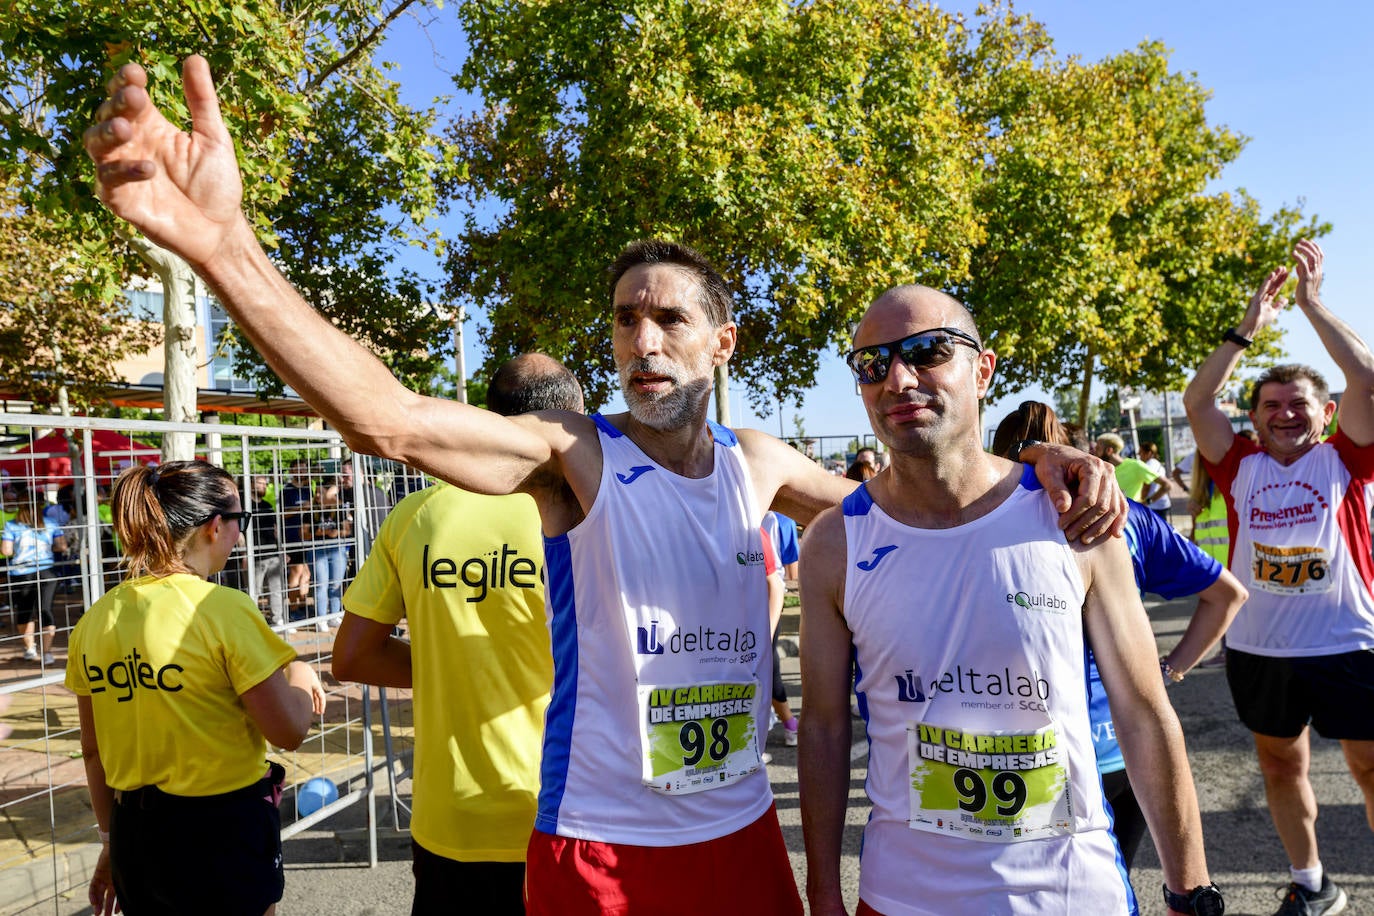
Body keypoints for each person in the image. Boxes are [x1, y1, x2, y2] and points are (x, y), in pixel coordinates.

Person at [83, 57, 1125, 914]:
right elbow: (385, 417)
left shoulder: (760, 466)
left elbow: (920, 493)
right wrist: (225, 249)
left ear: (721, 343)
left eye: (670, 319)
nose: (642, 339)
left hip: (742, 836)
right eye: (625, 318)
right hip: (601, 854)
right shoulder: (573, 457)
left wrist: (1037, 460)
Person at [800, 286, 1218, 916]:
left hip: (1073, 896)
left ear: (984, 368)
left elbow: (1142, 711)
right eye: (872, 363)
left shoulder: (1071, 515)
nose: (898, 377)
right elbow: (825, 727)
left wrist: (1192, 891)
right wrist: (825, 893)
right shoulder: (834, 542)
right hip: (903, 900)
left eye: (927, 350)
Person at [332, 353, 584, 916]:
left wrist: (451, 666)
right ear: (573, 420)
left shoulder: (418, 513)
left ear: (490, 421)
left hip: (450, 819)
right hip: (570, 804)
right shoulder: (588, 512)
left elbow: (351, 657)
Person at [1183, 239, 1374, 916]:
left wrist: (1311, 305)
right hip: (1261, 648)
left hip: (1350, 642)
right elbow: (1197, 396)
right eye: (1271, 404)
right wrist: (1245, 332)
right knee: (1279, 766)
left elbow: (1368, 379)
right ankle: (1314, 882)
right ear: (1255, 417)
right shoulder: (1237, 465)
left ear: (1324, 415)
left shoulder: (1346, 459)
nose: (1285, 413)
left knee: (1369, 768)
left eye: (1299, 404)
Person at [65, 461, 326, 916]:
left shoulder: (94, 620)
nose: (240, 537)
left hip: (134, 833)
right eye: (239, 522)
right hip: (221, 827)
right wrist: (302, 675)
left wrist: (110, 842)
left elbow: (94, 752)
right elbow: (288, 731)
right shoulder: (221, 608)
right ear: (213, 526)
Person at [996, 408, 1248, 873]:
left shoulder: (972, 528)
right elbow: (1227, 595)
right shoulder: (1127, 518)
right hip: (1126, 750)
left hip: (1029, 755)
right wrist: (1170, 671)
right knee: (1113, 886)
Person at [2, 483, 66, 665]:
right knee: (46, 611)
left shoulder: (11, 525)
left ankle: (30, 648)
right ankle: (47, 652)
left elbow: (6, 551)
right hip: (47, 571)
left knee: (24, 612)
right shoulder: (51, 524)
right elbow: (62, 546)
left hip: (20, 572)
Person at [762, 511, 800, 748]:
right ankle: (784, 722)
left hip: (766, 600)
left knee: (768, 663)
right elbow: (792, 574)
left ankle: (788, 723)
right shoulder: (784, 522)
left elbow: (782, 580)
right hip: (764, 598)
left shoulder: (776, 522)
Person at [304, 479, 350, 633]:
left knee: (336, 584)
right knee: (321, 584)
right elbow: (304, 534)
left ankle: (335, 615)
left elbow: (347, 530)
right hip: (317, 549)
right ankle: (321, 618)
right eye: (316, 492)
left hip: (336, 548)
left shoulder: (338, 508)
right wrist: (318, 533)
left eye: (321, 492)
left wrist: (338, 532)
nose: (317, 495)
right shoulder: (311, 510)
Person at [248, 474, 287, 625]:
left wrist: (281, 550)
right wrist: (245, 553)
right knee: (254, 591)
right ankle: (253, 622)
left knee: (276, 590)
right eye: (260, 483)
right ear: (251, 484)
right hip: (256, 556)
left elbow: (275, 529)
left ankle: (278, 619)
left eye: (265, 484)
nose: (264, 486)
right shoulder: (246, 505)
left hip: (272, 554)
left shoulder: (267, 506)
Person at [1095, 432, 1162, 502]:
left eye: (1098, 448)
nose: (1094, 452)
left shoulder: (1136, 465)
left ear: (1109, 450)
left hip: (1131, 512)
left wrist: (1147, 502)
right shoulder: (1103, 468)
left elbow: (1167, 485)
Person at [1138, 441, 1173, 521]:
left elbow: (1147, 484)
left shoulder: (1149, 464)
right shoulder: (1156, 463)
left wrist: (1143, 501)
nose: (1139, 455)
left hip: (1154, 505)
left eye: (1141, 452)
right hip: (1160, 503)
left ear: (1149, 453)